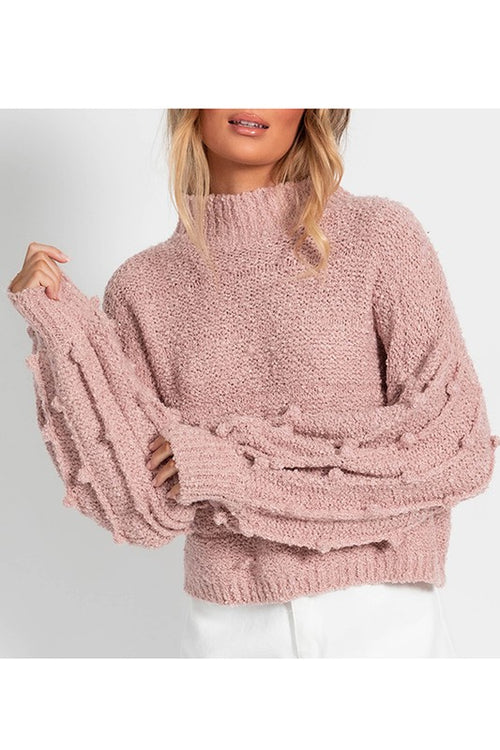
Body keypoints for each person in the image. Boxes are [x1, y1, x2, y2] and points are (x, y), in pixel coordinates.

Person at [7, 109, 498, 658]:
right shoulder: (142, 288)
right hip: (230, 633)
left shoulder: (379, 237)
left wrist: (235, 469)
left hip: (385, 622)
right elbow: (142, 510)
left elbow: (456, 449)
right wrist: (62, 327)